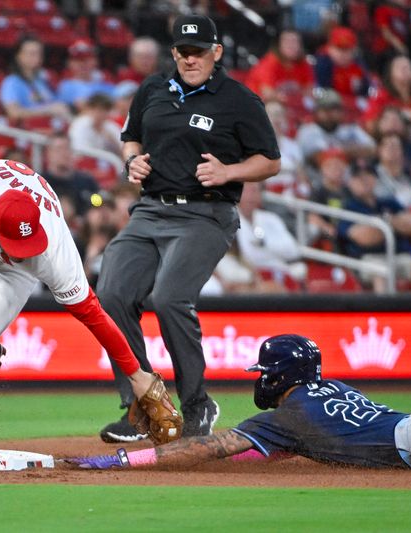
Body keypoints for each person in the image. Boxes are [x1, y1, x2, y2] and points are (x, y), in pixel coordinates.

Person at [0, 147, 180, 454]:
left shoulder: (52, 252)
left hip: (7, 272)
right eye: (19, 243)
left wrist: (136, 374)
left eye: (28, 241)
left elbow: (94, 315)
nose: (25, 248)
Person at [95, 14, 281, 443]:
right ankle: (143, 406)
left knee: (170, 298)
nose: (191, 58)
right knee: (111, 296)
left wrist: (229, 170)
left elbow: (270, 161)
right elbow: (132, 137)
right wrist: (132, 161)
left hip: (206, 214)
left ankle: (197, 404)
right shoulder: (153, 89)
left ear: (217, 52)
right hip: (150, 210)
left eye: (199, 51)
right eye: (184, 51)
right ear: (174, 52)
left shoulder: (238, 99)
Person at [69, 334, 411, 472]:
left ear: (280, 375)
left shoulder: (286, 417)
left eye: (265, 373)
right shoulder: (325, 394)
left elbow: (213, 447)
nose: (261, 381)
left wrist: (124, 458)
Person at [338, 162, 411, 293]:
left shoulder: (388, 202)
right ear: (350, 182)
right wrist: (393, 223)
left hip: (399, 255)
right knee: (381, 270)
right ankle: (383, 312)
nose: (364, 180)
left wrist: (383, 223)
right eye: (358, 177)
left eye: (368, 175)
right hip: (368, 259)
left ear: (375, 179)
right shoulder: (349, 207)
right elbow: (366, 238)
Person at [236, 182, 306, 288]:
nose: (250, 196)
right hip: (252, 276)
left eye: (254, 191)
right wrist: (273, 253)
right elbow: (249, 255)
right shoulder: (229, 221)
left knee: (300, 269)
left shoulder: (271, 219)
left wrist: (265, 245)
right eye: (246, 191)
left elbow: (293, 250)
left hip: (280, 271)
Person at [0, 36, 72, 126]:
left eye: (39, 53)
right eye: (31, 53)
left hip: (54, 127)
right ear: (19, 56)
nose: (36, 57)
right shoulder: (11, 82)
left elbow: (59, 105)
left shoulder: (43, 80)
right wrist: (47, 110)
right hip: (29, 132)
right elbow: (14, 113)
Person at [296, 89, 376, 173]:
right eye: (324, 109)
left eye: (333, 109)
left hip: (348, 179)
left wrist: (341, 151)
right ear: (316, 112)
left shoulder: (351, 129)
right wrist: (349, 151)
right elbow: (318, 158)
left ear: (341, 111)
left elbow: (372, 149)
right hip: (317, 179)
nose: (329, 114)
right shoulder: (307, 131)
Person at [244, 29, 315, 102]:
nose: (292, 46)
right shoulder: (269, 64)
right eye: (287, 42)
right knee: (275, 109)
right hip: (259, 105)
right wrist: (293, 99)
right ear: (279, 45)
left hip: (290, 105)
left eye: (295, 42)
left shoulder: (303, 64)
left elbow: (309, 90)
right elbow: (268, 93)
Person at [40, 132, 100, 216]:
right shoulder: (40, 183)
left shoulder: (86, 181)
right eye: (59, 149)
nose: (64, 153)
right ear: (48, 153)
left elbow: (98, 206)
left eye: (67, 148)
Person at [313, 26, 371, 99]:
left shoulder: (358, 65)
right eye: (339, 49)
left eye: (347, 50)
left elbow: (365, 91)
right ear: (330, 48)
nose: (343, 54)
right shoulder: (321, 63)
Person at [56, 39, 115, 109]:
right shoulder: (65, 87)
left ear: (95, 61)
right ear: (69, 63)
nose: (82, 64)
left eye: (87, 59)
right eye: (78, 60)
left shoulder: (107, 84)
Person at [68, 92, 122, 156]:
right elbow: (79, 151)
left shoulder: (111, 126)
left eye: (105, 110)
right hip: (85, 162)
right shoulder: (79, 125)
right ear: (90, 109)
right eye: (99, 109)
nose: (102, 114)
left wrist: (113, 142)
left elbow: (125, 151)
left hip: (107, 163)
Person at [374, 133, 411, 208]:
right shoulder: (373, 174)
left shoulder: (410, 176)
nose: (392, 150)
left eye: (395, 147)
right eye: (388, 147)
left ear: (402, 151)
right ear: (379, 151)